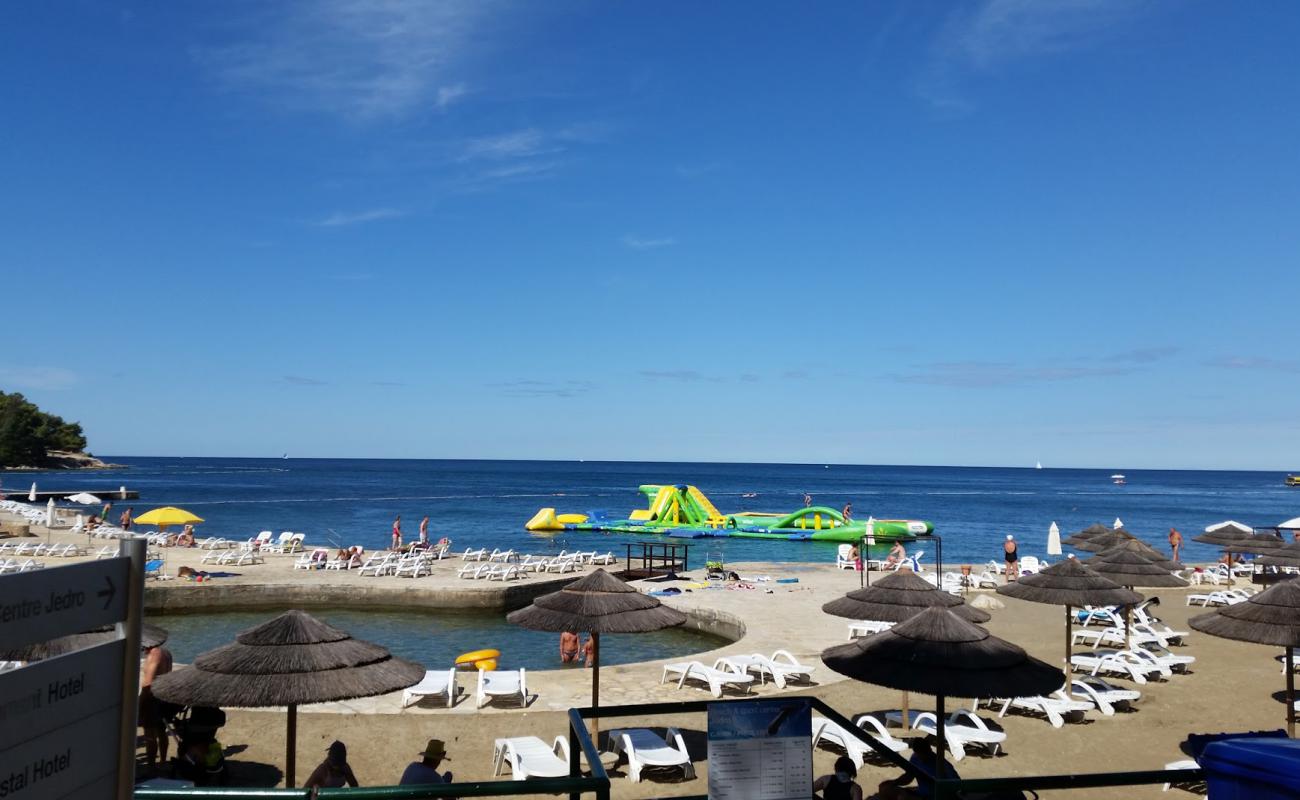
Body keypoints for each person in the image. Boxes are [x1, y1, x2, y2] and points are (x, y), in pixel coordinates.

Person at [877, 737, 959, 799]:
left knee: (903, 798)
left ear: (929, 750)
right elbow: (909, 777)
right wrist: (894, 782)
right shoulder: (915, 758)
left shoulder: (942, 764)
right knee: (884, 788)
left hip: (934, 797)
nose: (922, 757)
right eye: (919, 754)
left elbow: (956, 783)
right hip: (920, 794)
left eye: (924, 753)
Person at [139, 641, 174, 770]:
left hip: (152, 697)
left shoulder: (155, 654)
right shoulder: (167, 653)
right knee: (161, 731)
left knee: (149, 734)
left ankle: (151, 766)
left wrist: (141, 702)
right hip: (163, 696)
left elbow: (148, 683)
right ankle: (163, 761)